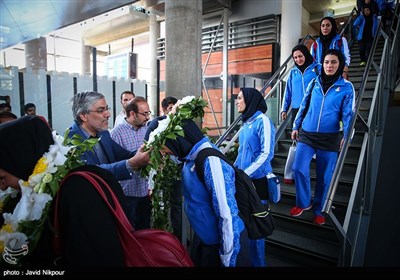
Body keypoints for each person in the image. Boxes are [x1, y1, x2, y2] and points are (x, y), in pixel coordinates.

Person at [0, 116, 139, 266]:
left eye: (3, 178)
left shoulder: (78, 190)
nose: (2, 186)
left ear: (20, 161)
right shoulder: (23, 194)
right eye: (101, 109)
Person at [160, 119, 251, 267]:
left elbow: (227, 212)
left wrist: (228, 258)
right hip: (204, 236)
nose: (165, 152)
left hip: (223, 242)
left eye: (166, 147)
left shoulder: (210, 161)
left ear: (177, 141)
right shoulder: (190, 156)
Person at [289, 49, 355, 226]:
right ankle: (303, 202)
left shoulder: (346, 87)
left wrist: (347, 135)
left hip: (330, 137)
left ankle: (319, 210)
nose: (329, 65)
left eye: (333, 62)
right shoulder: (314, 82)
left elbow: (348, 114)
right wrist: (296, 126)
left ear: (340, 64)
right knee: (298, 168)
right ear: (322, 63)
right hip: (307, 134)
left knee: (324, 176)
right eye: (326, 62)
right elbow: (303, 106)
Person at [233, 87, 275, 267]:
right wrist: (232, 170)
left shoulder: (262, 120)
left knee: (256, 228)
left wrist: (244, 174)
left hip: (258, 182)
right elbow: (242, 152)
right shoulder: (246, 122)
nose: (236, 101)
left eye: (240, 98)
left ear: (250, 100)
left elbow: (267, 154)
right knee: (245, 225)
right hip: (244, 180)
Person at [67, 91, 150, 181]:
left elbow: (124, 155)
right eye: (101, 110)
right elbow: (91, 173)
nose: (108, 114)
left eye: (107, 109)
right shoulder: (71, 140)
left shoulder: (103, 133)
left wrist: (150, 151)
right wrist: (132, 164)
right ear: (83, 115)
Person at [144, 96, 183, 240]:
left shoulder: (180, 123)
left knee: (176, 205)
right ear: (164, 109)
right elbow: (147, 145)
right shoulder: (156, 123)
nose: (174, 111)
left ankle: (177, 238)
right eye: (171, 108)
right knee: (159, 205)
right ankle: (160, 238)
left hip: (177, 169)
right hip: (160, 171)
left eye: (176, 108)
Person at [111, 97, 152, 230]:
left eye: (148, 113)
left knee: (144, 228)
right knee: (129, 231)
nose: (148, 117)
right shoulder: (116, 133)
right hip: (126, 194)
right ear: (132, 113)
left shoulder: (147, 130)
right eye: (144, 114)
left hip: (144, 191)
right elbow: (114, 164)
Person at [281, 44, 319, 127]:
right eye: (295, 57)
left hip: (313, 107)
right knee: (297, 136)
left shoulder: (317, 68)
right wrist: (284, 109)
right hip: (297, 109)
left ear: (305, 54)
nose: (298, 59)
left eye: (300, 56)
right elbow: (288, 91)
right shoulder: (293, 72)